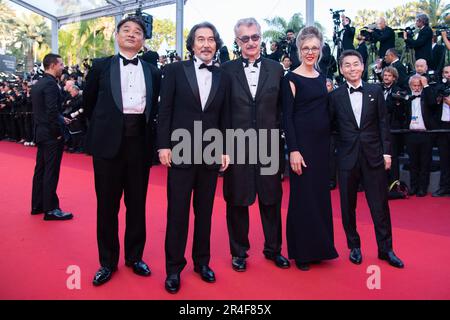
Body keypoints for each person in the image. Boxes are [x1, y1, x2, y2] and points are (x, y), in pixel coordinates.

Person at [83, 16, 161, 286]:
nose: (131, 34)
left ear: (143, 39)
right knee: (107, 205)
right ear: (117, 35)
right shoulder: (100, 66)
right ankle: (107, 261)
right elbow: (89, 102)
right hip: (108, 145)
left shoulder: (153, 71)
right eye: (126, 30)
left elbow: (154, 108)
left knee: (137, 205)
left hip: (139, 142)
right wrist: (103, 131)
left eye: (137, 31)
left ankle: (134, 257)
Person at [157, 22, 231, 294]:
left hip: (211, 153)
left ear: (216, 44)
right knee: (177, 212)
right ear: (191, 44)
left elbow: (225, 116)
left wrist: (226, 149)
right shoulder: (175, 71)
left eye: (211, 39)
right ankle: (173, 268)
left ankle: (202, 262)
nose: (206, 44)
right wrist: (163, 146)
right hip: (180, 151)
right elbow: (164, 111)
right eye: (200, 39)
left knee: (205, 213)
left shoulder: (223, 76)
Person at [222, 18, 290, 272]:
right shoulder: (226, 70)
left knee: (271, 199)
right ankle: (238, 252)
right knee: (237, 200)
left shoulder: (276, 68)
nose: (250, 42)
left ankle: (274, 249)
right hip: (236, 144)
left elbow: (284, 110)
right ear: (237, 41)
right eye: (244, 38)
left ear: (260, 38)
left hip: (269, 144)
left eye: (255, 37)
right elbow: (221, 110)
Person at [328, 50, 404, 269]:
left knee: (379, 204)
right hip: (347, 158)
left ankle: (386, 249)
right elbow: (331, 128)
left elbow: (383, 124)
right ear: (341, 70)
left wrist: (387, 152)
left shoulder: (375, 91)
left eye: (355, 64)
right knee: (347, 205)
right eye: (347, 65)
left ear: (363, 66)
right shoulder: (334, 96)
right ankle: (354, 246)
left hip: (374, 156)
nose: (352, 68)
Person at [282, 26, 339, 271]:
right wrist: (293, 150)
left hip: (321, 146)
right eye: (306, 48)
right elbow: (288, 118)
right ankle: (302, 252)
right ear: (299, 50)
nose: (310, 52)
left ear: (321, 49)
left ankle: (320, 249)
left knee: (319, 197)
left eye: (315, 48)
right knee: (302, 198)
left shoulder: (322, 78)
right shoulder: (291, 78)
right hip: (302, 147)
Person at [31, 53, 74, 221]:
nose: (63, 67)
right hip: (50, 135)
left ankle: (37, 205)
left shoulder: (38, 84)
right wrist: (57, 133)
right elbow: (50, 112)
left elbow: (47, 112)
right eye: (61, 64)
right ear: (52, 65)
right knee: (50, 172)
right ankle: (51, 209)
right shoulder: (50, 84)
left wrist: (61, 118)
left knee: (40, 170)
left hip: (41, 133)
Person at [404, 75, 437, 197]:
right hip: (411, 134)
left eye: (419, 85)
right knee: (413, 163)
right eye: (414, 85)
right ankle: (413, 187)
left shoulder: (427, 96)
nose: (417, 88)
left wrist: (426, 85)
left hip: (425, 134)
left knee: (424, 163)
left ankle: (422, 188)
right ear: (410, 86)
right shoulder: (407, 98)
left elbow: (433, 103)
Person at [432, 65, 450, 197]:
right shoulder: (439, 87)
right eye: (445, 72)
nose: (447, 74)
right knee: (444, 160)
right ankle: (444, 187)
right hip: (442, 127)